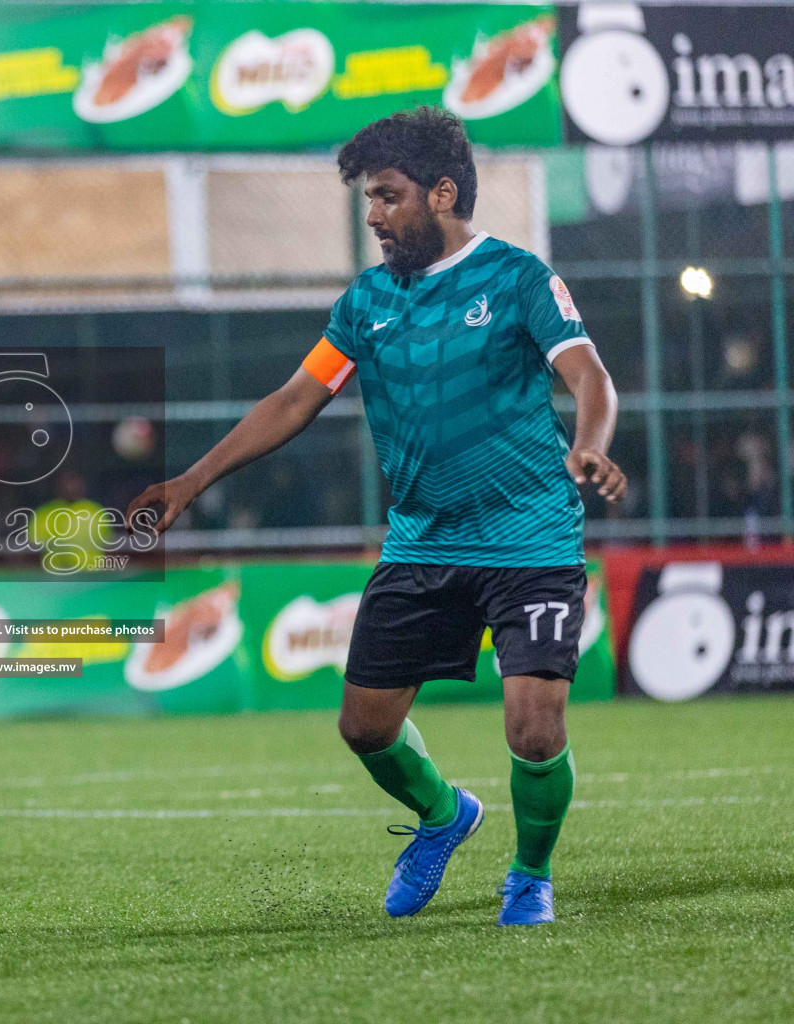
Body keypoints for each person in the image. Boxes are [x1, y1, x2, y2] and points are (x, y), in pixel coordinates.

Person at [129, 107, 625, 926]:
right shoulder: (366, 303)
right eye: (368, 199)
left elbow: (589, 374)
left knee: (535, 729)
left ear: (441, 191)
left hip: (529, 534)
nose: (373, 216)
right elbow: (297, 397)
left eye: (387, 197)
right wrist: (191, 480)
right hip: (423, 541)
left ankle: (530, 874)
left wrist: (592, 445)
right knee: (364, 728)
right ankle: (443, 815)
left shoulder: (518, 278)